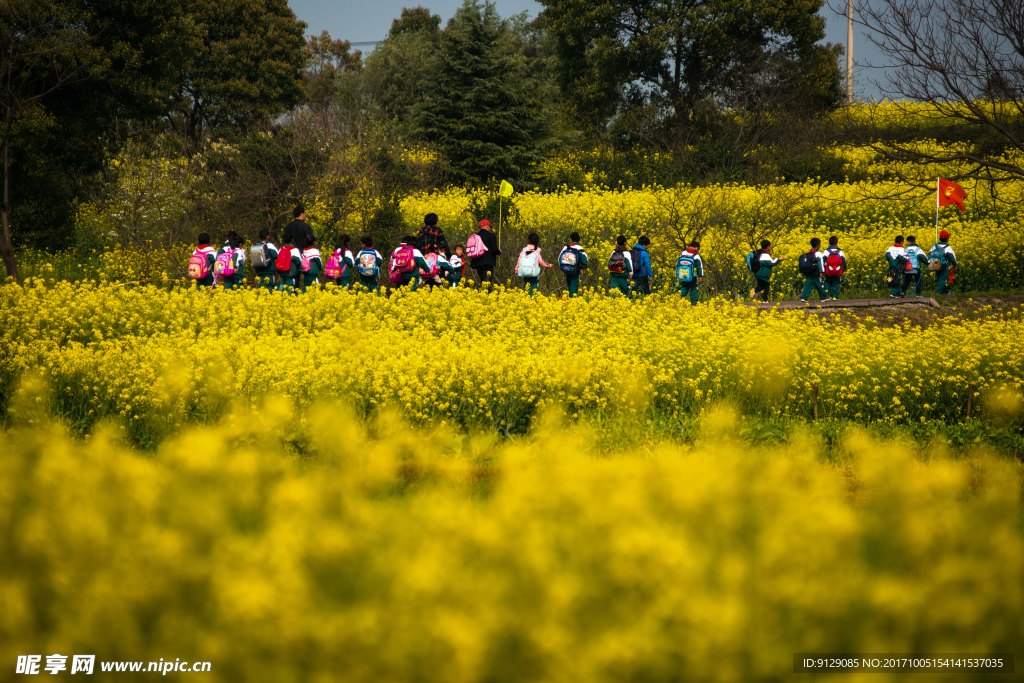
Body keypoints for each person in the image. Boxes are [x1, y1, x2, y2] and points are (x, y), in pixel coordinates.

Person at [468, 219, 500, 290]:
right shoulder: (491, 235)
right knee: (487, 282)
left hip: (478, 262)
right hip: (488, 262)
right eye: (489, 227)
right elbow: (494, 249)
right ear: (487, 227)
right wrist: (499, 252)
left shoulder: (475, 236)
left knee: (483, 280)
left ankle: (483, 296)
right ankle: (486, 296)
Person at [557, 233, 589, 298]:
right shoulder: (580, 249)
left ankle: (569, 298)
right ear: (579, 240)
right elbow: (585, 260)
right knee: (574, 285)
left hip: (566, 269)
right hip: (575, 270)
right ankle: (572, 300)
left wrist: (562, 267)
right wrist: (581, 267)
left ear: (570, 239)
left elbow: (559, 258)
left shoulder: (566, 247)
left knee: (569, 284)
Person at [798, 237, 828, 303]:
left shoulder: (808, 254)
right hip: (815, 271)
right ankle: (824, 297)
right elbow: (820, 262)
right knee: (819, 284)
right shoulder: (818, 253)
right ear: (817, 246)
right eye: (819, 244)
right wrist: (821, 271)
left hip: (808, 271)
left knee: (807, 284)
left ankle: (803, 297)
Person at [675, 241, 703, 306]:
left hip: (683, 274)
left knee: (684, 286)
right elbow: (699, 267)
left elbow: (677, 263)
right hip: (693, 275)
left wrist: (677, 272)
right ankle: (694, 303)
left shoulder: (683, 253)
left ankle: (680, 294)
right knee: (694, 288)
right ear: (696, 248)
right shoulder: (696, 256)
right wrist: (700, 276)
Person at [930, 230, 958, 295]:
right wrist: (955, 265)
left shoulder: (935, 246)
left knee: (940, 278)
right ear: (947, 239)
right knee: (942, 279)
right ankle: (938, 292)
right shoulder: (948, 247)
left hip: (935, 264)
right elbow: (951, 257)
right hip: (944, 265)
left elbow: (930, 252)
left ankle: (946, 291)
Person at [821, 236, 847, 300]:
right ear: (837, 243)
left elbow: (822, 261)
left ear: (829, 243)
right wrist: (843, 270)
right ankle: (835, 296)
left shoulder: (826, 251)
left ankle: (826, 295)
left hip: (828, 271)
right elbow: (844, 262)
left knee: (827, 282)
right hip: (838, 271)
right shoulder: (840, 252)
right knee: (836, 283)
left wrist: (824, 269)